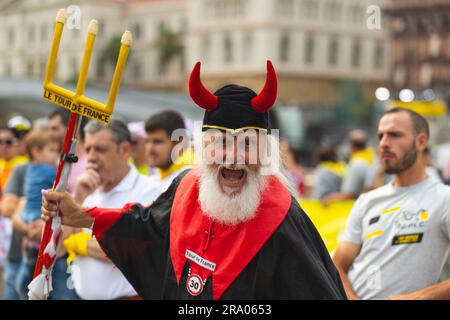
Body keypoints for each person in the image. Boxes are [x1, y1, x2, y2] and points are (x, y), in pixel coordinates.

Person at [41, 61, 346, 300]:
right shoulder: (186, 187)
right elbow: (145, 228)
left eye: (248, 144)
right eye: (220, 142)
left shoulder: (283, 217)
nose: (232, 156)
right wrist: (81, 215)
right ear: (203, 147)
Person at [333, 107, 450, 300]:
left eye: (395, 135)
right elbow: (338, 265)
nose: (384, 143)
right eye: (380, 136)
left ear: (421, 141)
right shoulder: (368, 200)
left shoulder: (443, 198)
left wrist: (417, 297)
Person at [64, 119, 161, 300]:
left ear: (124, 149)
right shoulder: (87, 191)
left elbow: (132, 249)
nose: (91, 157)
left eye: (100, 149)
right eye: (88, 149)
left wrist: (79, 242)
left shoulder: (149, 191)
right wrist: (78, 196)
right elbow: (59, 246)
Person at [16, 130, 60, 299]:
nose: (56, 155)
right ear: (36, 151)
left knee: (28, 260)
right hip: (37, 216)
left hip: (27, 215)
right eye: (52, 150)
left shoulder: (30, 169)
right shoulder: (47, 171)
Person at [144, 110, 193, 193]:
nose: (149, 149)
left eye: (157, 141)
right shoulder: (155, 176)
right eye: (147, 141)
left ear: (179, 142)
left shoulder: (191, 178)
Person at [322, 129, 373, 204]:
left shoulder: (356, 164)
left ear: (350, 145)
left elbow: (348, 195)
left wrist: (328, 198)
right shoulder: (373, 159)